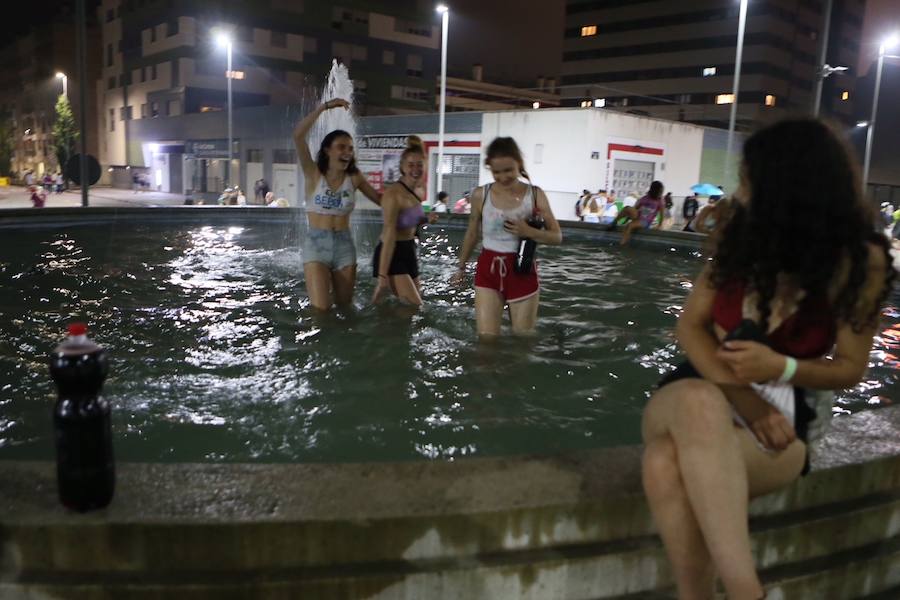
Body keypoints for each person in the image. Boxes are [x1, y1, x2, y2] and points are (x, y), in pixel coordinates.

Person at [641, 118, 895, 600]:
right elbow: (690, 326)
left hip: (787, 413)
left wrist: (781, 368)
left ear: (784, 185)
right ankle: (746, 593)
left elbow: (851, 368)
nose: (739, 190)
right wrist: (746, 399)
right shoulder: (741, 239)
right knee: (698, 402)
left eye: (748, 177)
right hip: (701, 389)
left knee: (663, 463)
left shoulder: (858, 261)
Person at [451, 137, 562, 336]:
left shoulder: (535, 195)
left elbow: (556, 237)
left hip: (522, 269)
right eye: (496, 172)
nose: (503, 177)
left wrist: (530, 232)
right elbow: (472, 233)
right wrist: (461, 267)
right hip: (488, 269)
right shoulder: (480, 195)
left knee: (523, 338)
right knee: (486, 339)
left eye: (508, 170)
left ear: (519, 163)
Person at [293, 97, 382, 311]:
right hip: (316, 244)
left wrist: (412, 204)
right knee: (321, 310)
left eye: (350, 148)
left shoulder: (355, 177)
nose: (347, 152)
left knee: (345, 307)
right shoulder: (314, 173)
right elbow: (298, 136)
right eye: (341, 147)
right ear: (327, 150)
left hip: (344, 245)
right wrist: (323, 108)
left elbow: (382, 200)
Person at [371, 138, 436, 306]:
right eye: (411, 165)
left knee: (414, 305)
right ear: (402, 167)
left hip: (409, 250)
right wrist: (382, 277)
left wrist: (426, 219)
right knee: (415, 305)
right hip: (392, 253)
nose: (416, 169)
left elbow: (410, 221)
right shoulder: (393, 195)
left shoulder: (419, 190)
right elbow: (389, 235)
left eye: (419, 165)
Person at [607, 181, 665, 245]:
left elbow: (662, 214)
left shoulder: (660, 202)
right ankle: (614, 223)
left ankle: (622, 245)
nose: (660, 193)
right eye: (660, 191)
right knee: (627, 208)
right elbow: (635, 208)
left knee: (629, 226)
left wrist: (659, 226)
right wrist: (628, 218)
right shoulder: (645, 197)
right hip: (638, 216)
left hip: (645, 222)